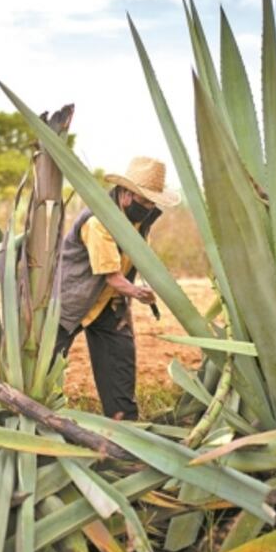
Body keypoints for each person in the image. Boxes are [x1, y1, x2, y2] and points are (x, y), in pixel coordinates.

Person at [54, 156, 180, 420]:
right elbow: (112, 276)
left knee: (119, 368)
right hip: (68, 304)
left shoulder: (142, 221)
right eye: (144, 201)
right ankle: (42, 426)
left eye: (152, 203)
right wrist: (139, 293)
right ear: (125, 194)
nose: (148, 208)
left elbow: (137, 261)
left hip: (109, 305)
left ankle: (124, 430)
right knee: (47, 371)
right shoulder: (98, 221)